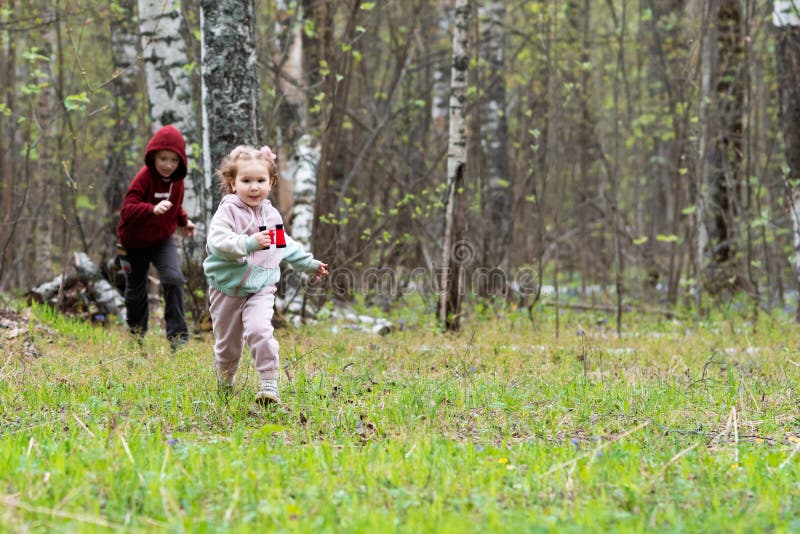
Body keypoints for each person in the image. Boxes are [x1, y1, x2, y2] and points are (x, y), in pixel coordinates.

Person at [203, 144, 328, 405]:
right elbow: (217, 243)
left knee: (260, 331)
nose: (254, 187)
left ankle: (269, 386)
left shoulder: (271, 216)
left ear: (271, 182)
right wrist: (248, 243)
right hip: (227, 287)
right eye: (246, 180)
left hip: (261, 286)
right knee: (228, 346)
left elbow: (285, 245)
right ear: (232, 182)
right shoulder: (227, 211)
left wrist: (309, 265)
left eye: (260, 180)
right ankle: (225, 385)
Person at [117, 125, 196, 350]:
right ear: (153, 156)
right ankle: (136, 336)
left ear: (181, 161)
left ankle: (177, 338)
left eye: (174, 160)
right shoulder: (144, 178)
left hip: (161, 240)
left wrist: (183, 221)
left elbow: (175, 206)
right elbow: (127, 209)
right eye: (163, 159)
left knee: (174, 279)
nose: (168, 165)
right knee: (136, 290)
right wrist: (151, 209)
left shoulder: (177, 180)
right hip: (133, 242)